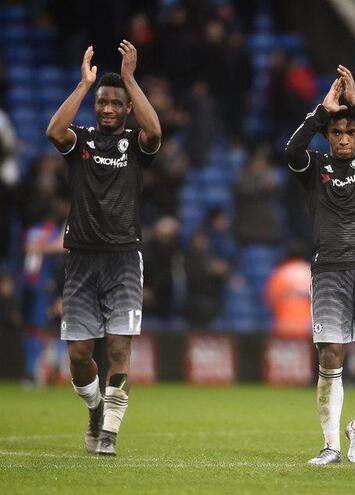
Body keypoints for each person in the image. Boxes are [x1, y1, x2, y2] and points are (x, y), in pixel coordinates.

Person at [45, 41, 161, 456]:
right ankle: (95, 409)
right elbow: (54, 131)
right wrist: (83, 84)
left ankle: (109, 430)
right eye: (103, 103)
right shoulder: (82, 142)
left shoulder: (136, 146)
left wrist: (130, 79)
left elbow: (155, 132)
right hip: (80, 257)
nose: (108, 109)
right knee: (78, 356)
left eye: (116, 103)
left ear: (127, 108)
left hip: (124, 257)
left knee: (118, 346)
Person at [284, 65, 355, 465]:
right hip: (330, 270)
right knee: (331, 354)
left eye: (351, 131)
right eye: (337, 132)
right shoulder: (315, 168)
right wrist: (323, 110)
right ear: (328, 136)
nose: (345, 138)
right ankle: (332, 445)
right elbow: (291, 151)